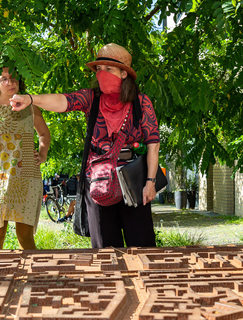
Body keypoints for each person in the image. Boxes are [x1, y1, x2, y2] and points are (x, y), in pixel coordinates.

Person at [10, 43, 160, 248]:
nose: (102, 73)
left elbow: (153, 144)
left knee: (142, 246)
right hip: (98, 182)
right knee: (105, 251)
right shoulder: (91, 98)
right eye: (99, 69)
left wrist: (150, 181)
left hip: (133, 181)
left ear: (124, 74)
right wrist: (31, 99)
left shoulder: (141, 103)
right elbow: (63, 101)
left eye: (109, 69)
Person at [0, 67, 51, 249]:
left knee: (25, 236)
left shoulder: (31, 106)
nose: (10, 83)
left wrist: (42, 154)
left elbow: (44, 134)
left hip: (27, 178)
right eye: (3, 79)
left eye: (13, 78)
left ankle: (31, 275)